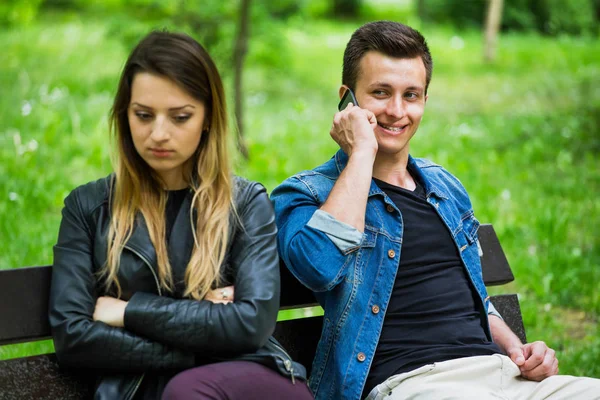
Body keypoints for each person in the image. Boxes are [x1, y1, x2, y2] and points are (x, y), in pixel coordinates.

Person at [271, 21, 600, 400]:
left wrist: (518, 350)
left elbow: (473, 297)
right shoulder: (305, 193)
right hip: (414, 384)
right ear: (347, 100)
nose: (397, 111)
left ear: (425, 99)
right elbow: (319, 267)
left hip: (500, 376)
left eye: (411, 95)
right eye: (380, 93)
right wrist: (362, 153)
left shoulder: (444, 187)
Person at [49, 31, 313, 400]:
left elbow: (250, 325)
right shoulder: (89, 208)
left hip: (247, 383)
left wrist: (127, 311)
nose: (159, 133)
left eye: (180, 117)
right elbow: (73, 338)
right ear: (124, 116)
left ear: (207, 117)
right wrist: (206, 332)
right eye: (143, 115)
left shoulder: (246, 203)